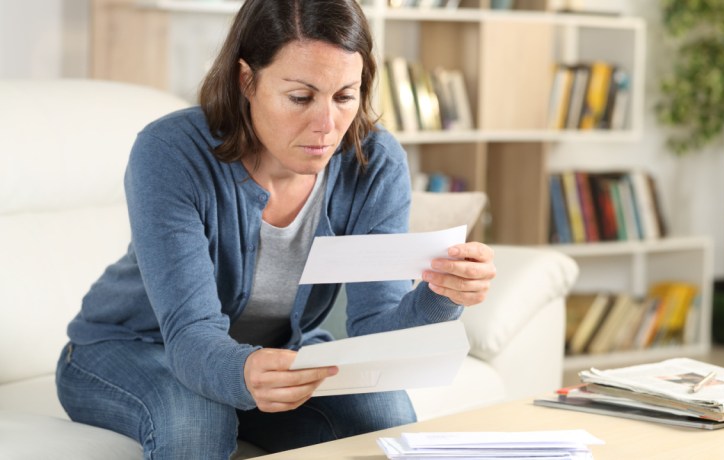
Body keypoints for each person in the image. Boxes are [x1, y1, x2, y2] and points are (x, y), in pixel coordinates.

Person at [55, 0, 496, 458]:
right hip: (133, 348)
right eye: (301, 98)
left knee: (384, 419)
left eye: (345, 96)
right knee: (198, 419)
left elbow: (375, 338)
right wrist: (244, 371)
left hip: (275, 356)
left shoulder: (374, 163)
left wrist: (443, 295)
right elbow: (190, 335)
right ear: (247, 80)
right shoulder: (170, 152)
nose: (327, 126)